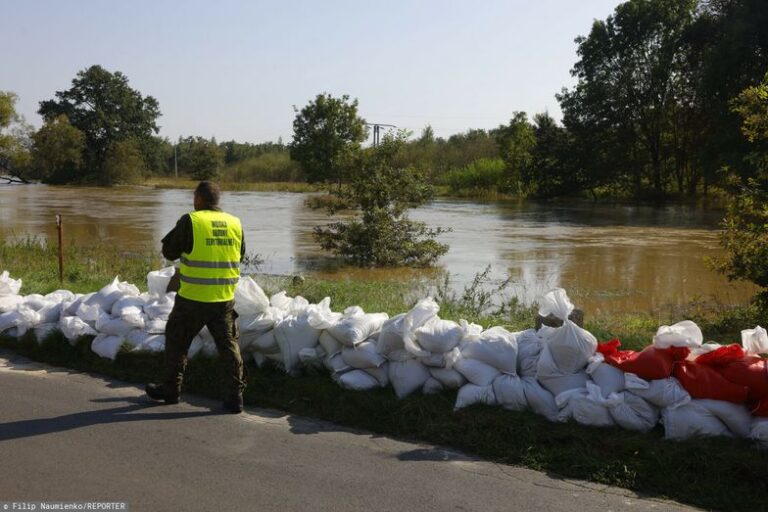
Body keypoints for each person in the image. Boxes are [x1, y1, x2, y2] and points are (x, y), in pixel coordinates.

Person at [146, 181, 246, 413]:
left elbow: (169, 251)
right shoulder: (235, 223)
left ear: (198, 198)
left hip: (192, 299)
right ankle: (235, 398)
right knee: (229, 347)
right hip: (223, 298)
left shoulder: (191, 220)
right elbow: (240, 254)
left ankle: (171, 389)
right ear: (218, 201)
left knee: (177, 341)